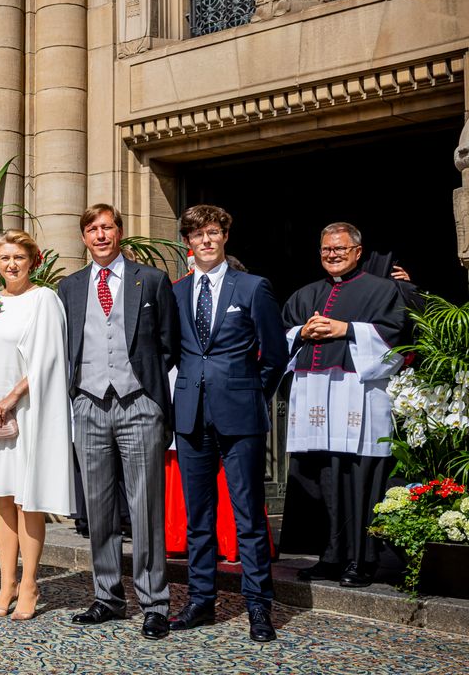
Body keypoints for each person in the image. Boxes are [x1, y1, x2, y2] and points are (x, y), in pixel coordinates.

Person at [57, 204, 178, 640]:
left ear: (120, 232)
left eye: (107, 227)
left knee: (145, 507)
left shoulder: (152, 280)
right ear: (84, 237)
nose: (101, 235)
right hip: (89, 404)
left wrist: (148, 394)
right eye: (92, 229)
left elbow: (169, 344)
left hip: (138, 402)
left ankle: (154, 603)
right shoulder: (69, 287)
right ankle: (107, 597)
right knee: (99, 506)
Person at [169, 204, 287, 643]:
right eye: (197, 234)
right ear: (187, 242)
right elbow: (172, 351)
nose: (206, 240)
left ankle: (258, 606)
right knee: (198, 516)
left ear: (224, 237)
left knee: (248, 514)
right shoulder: (177, 292)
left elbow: (275, 355)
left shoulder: (253, 287)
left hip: (240, 415)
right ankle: (200, 600)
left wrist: (250, 393)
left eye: (213, 232)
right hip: (190, 415)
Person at [0, 230, 73, 621]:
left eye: (18, 257)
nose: (11, 264)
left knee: (25, 498)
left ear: (32, 261)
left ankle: (30, 584)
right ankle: (6, 584)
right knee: (1, 499)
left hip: (26, 411)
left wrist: (10, 399)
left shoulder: (45, 300)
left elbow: (49, 359)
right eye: (4, 257)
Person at [279, 222, 405, 587]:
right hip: (314, 398)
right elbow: (279, 334)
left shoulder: (383, 290)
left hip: (357, 396)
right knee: (320, 476)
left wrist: (346, 329)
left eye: (340, 248)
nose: (332, 255)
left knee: (357, 478)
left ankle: (361, 560)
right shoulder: (305, 294)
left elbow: (396, 337)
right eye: (326, 249)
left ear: (357, 252)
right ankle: (329, 556)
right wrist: (300, 333)